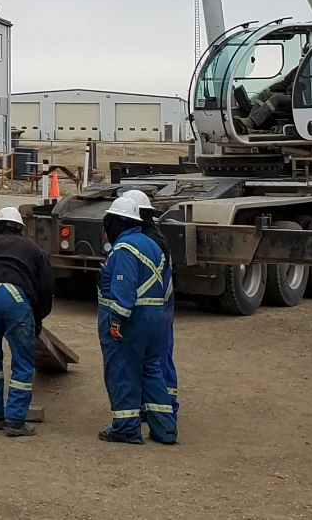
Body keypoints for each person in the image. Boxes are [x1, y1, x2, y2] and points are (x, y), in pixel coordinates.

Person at [96, 195, 177, 445]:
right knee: (152, 371)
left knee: (123, 372)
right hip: (156, 319)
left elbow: (124, 289)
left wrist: (116, 319)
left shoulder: (124, 249)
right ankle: (166, 429)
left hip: (133, 321)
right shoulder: (152, 244)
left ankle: (126, 428)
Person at [0, 205, 53, 437]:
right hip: (17, 299)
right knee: (22, 361)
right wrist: (37, 319)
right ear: (20, 228)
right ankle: (16, 420)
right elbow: (46, 288)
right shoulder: (33, 249)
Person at [120, 189, 178, 419]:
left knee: (154, 361)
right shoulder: (155, 236)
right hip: (162, 305)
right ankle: (162, 409)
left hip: (154, 307)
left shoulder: (145, 240)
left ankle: (163, 409)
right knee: (158, 360)